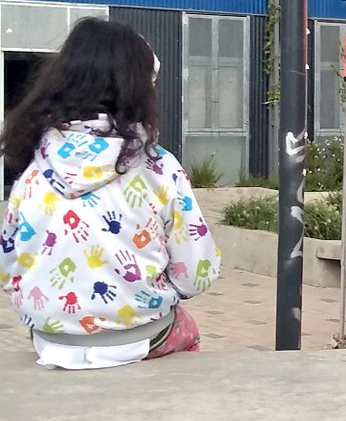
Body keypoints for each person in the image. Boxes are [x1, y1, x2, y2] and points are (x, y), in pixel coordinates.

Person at [0, 18, 220, 370]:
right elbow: (197, 272)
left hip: (51, 340)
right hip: (141, 336)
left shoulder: (33, 169)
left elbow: (9, 269)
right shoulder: (158, 168)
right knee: (188, 330)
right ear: (140, 89)